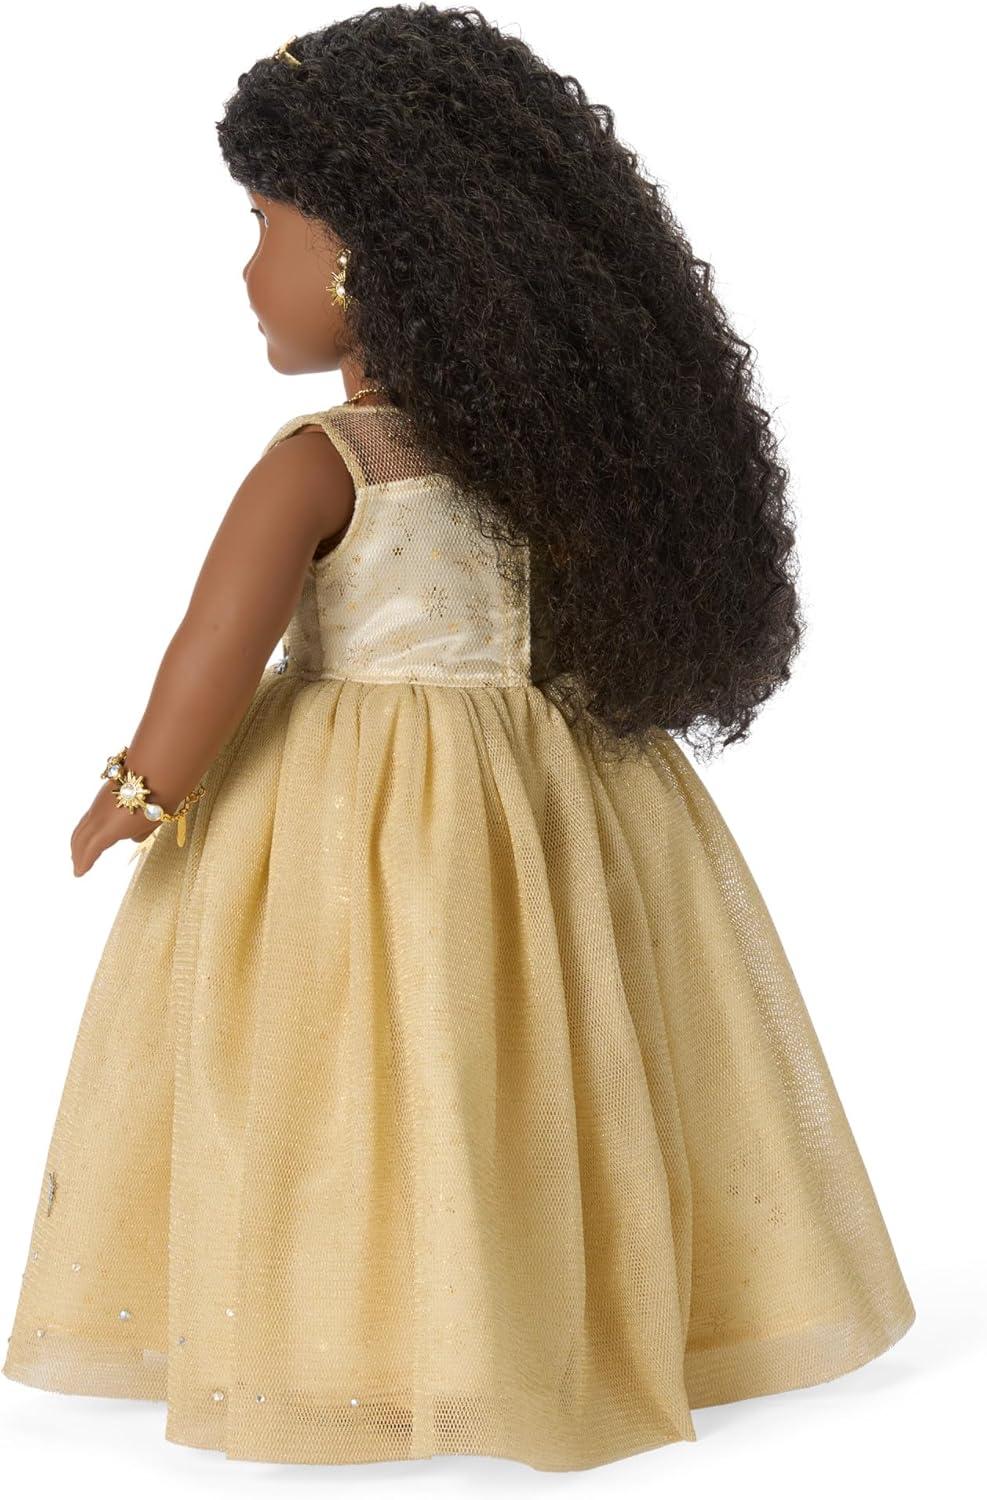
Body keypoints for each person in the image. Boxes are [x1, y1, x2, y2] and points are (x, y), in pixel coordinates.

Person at [2, 4, 915, 1472]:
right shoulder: (549, 460)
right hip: (550, 807)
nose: (247, 265)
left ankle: (363, 1333)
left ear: (364, 253)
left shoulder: (323, 466)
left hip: (350, 827)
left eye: (265, 223)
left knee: (345, 1066)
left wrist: (141, 787)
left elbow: (210, 653)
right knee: (537, 1055)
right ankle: (532, 1315)